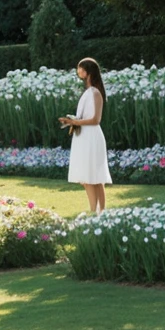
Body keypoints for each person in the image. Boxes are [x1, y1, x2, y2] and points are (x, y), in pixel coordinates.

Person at [59, 57, 112, 214]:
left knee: (93, 177)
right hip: (83, 136)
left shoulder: (95, 93)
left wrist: (75, 122)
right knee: (89, 177)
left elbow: (96, 119)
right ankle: (97, 212)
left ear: (87, 71)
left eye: (80, 68)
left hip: (91, 137)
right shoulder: (89, 92)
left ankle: (97, 211)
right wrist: (71, 122)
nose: (78, 71)